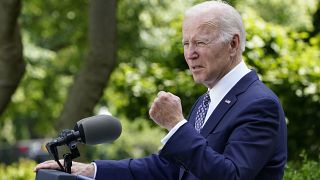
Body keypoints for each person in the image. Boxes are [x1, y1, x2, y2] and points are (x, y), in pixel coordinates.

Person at [34, 1, 287, 179]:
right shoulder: (207, 101)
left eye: (200, 42)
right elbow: (169, 169)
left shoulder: (259, 104)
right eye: (186, 43)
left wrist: (177, 126)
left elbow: (231, 176)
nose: (190, 54)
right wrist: (91, 170)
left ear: (233, 44)